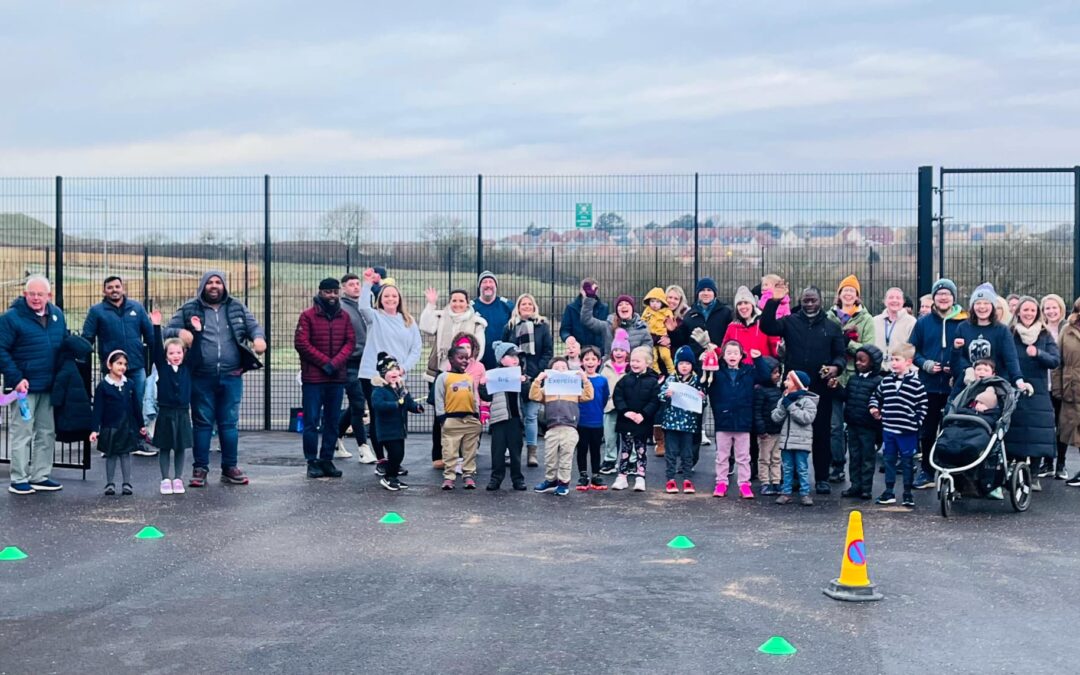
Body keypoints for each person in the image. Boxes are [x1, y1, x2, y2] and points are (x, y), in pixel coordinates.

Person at [164, 271, 266, 487]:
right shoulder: (190, 307)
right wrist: (181, 332)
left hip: (231, 376)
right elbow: (168, 330)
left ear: (224, 286)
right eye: (209, 282)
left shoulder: (236, 306)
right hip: (201, 376)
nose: (214, 286)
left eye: (218, 282)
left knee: (229, 424)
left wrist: (258, 338)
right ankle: (200, 469)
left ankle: (230, 467)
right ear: (203, 286)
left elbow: (253, 326)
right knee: (202, 424)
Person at [760, 282, 846, 494]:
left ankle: (823, 478)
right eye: (805, 300)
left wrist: (836, 368)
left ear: (820, 301)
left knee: (821, 434)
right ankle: (796, 478)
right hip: (794, 387)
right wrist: (774, 301)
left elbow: (840, 355)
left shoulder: (832, 327)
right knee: (794, 434)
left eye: (813, 300)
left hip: (820, 389)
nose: (809, 304)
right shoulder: (789, 322)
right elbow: (766, 326)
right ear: (800, 301)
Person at [0, 275, 68, 495]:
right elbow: (1, 350)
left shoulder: (57, 315)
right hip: (23, 389)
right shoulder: (10, 318)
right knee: (23, 433)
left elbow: (62, 344)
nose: (36, 298)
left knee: (47, 432)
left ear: (49, 295)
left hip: (49, 386)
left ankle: (40, 475)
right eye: (32, 294)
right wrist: (16, 379)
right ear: (24, 294)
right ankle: (19, 478)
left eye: (41, 294)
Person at [82, 276, 156, 456]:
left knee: (137, 405)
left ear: (123, 288)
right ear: (104, 291)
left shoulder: (137, 308)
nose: (114, 290)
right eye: (109, 287)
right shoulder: (97, 311)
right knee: (111, 407)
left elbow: (150, 335)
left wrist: (158, 359)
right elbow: (87, 338)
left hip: (136, 366)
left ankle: (138, 442)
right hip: (111, 370)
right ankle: (110, 445)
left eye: (117, 286)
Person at [357, 269, 422, 471]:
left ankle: (395, 461)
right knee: (378, 418)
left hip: (397, 377)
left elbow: (416, 349)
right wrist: (367, 284)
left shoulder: (408, 321)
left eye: (394, 296)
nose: (390, 299)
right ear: (380, 299)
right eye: (386, 296)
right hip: (373, 376)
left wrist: (403, 368)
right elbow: (362, 306)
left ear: (399, 298)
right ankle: (382, 460)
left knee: (398, 417)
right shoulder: (374, 317)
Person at [908, 278, 967, 490]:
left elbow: (968, 352)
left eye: (948, 294)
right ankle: (926, 470)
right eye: (940, 293)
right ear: (934, 297)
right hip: (929, 384)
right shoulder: (923, 322)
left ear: (953, 297)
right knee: (928, 429)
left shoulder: (964, 322)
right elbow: (912, 352)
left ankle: (953, 471)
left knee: (954, 429)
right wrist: (925, 364)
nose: (943, 297)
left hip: (955, 385)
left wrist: (956, 365)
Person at [294, 278, 355, 480]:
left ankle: (327, 458)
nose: (332, 296)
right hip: (313, 378)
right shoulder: (307, 316)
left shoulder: (344, 317)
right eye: (327, 292)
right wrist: (324, 363)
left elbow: (350, 342)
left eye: (334, 292)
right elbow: (302, 344)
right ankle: (312, 461)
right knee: (311, 421)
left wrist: (335, 363)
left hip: (336, 378)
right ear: (320, 293)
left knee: (332, 421)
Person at [420, 288, 488, 469]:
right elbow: (426, 327)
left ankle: (462, 456)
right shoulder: (441, 317)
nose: (457, 304)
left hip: (464, 376)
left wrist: (465, 367)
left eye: (461, 301)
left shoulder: (476, 323)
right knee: (440, 415)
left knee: (464, 415)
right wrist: (431, 303)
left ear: (467, 302)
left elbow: (478, 348)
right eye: (454, 300)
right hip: (440, 374)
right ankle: (439, 456)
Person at [1004, 297, 1060, 492]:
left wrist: (1038, 353)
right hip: (1015, 388)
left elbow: (1055, 360)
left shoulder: (1044, 335)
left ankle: (1034, 474)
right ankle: (1018, 472)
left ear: (1037, 313)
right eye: (1025, 310)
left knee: (1038, 433)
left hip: (1038, 391)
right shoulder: (1010, 333)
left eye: (1032, 310)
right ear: (1018, 312)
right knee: (1016, 432)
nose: (1029, 313)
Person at [827, 275, 876, 484]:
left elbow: (869, 349)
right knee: (835, 426)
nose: (848, 294)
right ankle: (837, 465)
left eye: (852, 291)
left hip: (858, 378)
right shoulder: (830, 317)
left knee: (856, 426)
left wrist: (849, 345)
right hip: (836, 375)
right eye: (844, 290)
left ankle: (860, 474)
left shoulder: (866, 319)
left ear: (857, 296)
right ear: (839, 294)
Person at [869, 343, 927, 509]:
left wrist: (916, 422)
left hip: (908, 430)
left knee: (908, 462)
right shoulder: (886, 381)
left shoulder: (916, 384)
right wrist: (874, 408)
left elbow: (923, 405)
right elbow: (876, 396)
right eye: (891, 359)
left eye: (897, 360)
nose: (893, 363)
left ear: (908, 362)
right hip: (889, 429)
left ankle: (907, 493)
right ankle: (889, 491)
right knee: (889, 460)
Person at [530, 356, 594, 496]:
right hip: (552, 427)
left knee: (566, 456)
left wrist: (584, 379)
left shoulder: (573, 388)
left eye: (564, 368)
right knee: (550, 457)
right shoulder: (547, 389)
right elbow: (534, 396)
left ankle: (563, 483)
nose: (560, 370)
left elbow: (588, 396)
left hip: (569, 428)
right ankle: (550, 480)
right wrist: (538, 380)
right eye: (556, 368)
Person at [503, 293, 553, 468]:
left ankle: (532, 453)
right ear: (518, 307)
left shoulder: (542, 326)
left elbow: (548, 351)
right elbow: (504, 350)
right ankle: (511, 451)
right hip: (513, 377)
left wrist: (536, 372)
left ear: (534, 307)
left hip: (534, 378)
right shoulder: (510, 326)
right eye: (523, 304)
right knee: (514, 417)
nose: (526, 306)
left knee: (531, 416)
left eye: (529, 304)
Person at [950, 283, 1027, 398]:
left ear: (993, 306)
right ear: (972, 306)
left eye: (986, 303)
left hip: (995, 387)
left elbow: (1011, 359)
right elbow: (956, 360)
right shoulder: (963, 328)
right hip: (967, 386)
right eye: (978, 303)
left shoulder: (1002, 330)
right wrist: (967, 367)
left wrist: (1018, 380)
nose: (982, 307)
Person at [149, 310, 193, 495]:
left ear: (183, 353)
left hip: (182, 412)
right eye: (171, 352)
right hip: (166, 412)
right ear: (166, 355)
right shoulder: (162, 367)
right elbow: (156, 349)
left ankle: (178, 478)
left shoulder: (187, 368)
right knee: (165, 447)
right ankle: (165, 479)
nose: (175, 355)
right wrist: (156, 326)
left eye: (179, 352)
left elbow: (196, 352)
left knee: (181, 447)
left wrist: (196, 332)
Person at [90, 350, 145, 496]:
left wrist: (141, 425)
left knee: (125, 454)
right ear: (109, 365)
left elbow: (136, 407)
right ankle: (110, 483)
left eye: (125, 364)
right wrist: (94, 429)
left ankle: (127, 483)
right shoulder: (103, 386)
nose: (122, 367)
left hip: (126, 426)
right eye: (119, 363)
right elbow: (98, 409)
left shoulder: (130, 384)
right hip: (110, 426)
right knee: (111, 455)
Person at [709, 341, 756, 499]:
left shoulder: (749, 371)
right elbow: (704, 381)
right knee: (722, 455)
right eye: (729, 352)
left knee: (743, 456)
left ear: (742, 355)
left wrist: (759, 359)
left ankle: (744, 484)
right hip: (723, 419)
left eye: (736, 353)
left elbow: (765, 375)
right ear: (723, 355)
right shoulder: (717, 372)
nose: (732, 356)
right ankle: (721, 482)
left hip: (743, 421)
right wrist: (706, 356)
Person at [835, 345, 884, 500]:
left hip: (868, 426)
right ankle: (855, 485)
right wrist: (837, 388)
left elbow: (880, 402)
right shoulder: (853, 379)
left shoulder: (878, 381)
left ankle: (866, 488)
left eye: (863, 361)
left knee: (867, 458)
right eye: (857, 360)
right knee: (854, 456)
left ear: (873, 362)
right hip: (853, 423)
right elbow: (846, 397)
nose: (858, 363)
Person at [370, 352, 424, 491]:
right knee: (395, 454)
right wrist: (395, 404)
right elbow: (378, 406)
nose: (394, 372)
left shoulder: (401, 389)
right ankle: (388, 477)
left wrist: (416, 408)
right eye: (390, 370)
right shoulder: (379, 390)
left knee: (399, 454)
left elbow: (408, 403)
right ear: (382, 373)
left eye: (396, 369)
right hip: (387, 430)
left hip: (399, 429)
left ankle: (393, 477)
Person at [337, 272, 375, 463]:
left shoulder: (365, 305)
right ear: (343, 288)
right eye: (351, 284)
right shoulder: (342, 308)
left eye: (358, 283)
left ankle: (336, 437)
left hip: (367, 362)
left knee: (356, 404)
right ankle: (363, 447)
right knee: (359, 403)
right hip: (349, 362)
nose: (356, 287)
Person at [611, 346, 661, 492]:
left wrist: (643, 415)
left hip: (642, 422)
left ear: (647, 363)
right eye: (632, 361)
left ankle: (640, 476)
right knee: (625, 450)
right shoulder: (625, 380)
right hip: (626, 421)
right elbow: (618, 397)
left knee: (641, 450)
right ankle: (622, 476)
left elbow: (654, 401)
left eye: (638, 361)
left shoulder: (653, 382)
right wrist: (625, 412)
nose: (634, 364)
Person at [435, 345, 484, 490]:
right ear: (451, 359)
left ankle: (468, 474)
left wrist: (477, 415)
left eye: (467, 358)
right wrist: (442, 417)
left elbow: (474, 397)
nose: (465, 361)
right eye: (461, 358)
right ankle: (449, 476)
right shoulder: (443, 377)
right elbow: (439, 398)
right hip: (451, 419)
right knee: (450, 450)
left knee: (470, 450)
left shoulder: (469, 378)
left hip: (469, 419)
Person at [659, 346, 706, 494]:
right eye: (681, 363)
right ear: (676, 364)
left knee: (687, 452)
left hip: (689, 424)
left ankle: (687, 479)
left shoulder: (697, 380)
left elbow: (702, 403)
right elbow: (660, 396)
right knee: (671, 452)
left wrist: (702, 398)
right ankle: (670, 479)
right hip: (671, 422)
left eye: (687, 363)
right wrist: (667, 394)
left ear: (692, 365)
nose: (684, 366)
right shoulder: (671, 379)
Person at [482, 341, 529, 491]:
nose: (516, 359)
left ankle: (517, 479)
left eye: (517, 356)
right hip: (498, 420)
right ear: (501, 359)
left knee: (515, 452)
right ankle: (496, 478)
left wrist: (525, 382)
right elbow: (487, 397)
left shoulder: (520, 375)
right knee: (497, 452)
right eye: (511, 356)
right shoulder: (494, 375)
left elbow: (527, 396)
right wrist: (483, 385)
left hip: (515, 420)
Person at [772, 370, 819, 506]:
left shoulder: (808, 402)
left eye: (788, 379)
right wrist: (783, 406)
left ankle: (805, 493)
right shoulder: (784, 399)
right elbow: (775, 417)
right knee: (787, 468)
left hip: (801, 442)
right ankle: (786, 493)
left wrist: (790, 406)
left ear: (798, 384)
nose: (785, 382)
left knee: (802, 468)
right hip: (786, 442)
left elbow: (806, 418)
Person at [671, 277, 733, 359]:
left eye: (709, 290)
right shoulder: (689, 314)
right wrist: (672, 331)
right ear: (698, 293)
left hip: (720, 360)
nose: (705, 293)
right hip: (696, 362)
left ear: (714, 293)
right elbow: (681, 341)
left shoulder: (726, 312)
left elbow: (731, 339)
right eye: (702, 290)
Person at [1042, 293, 1069, 478]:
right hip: (1043, 383)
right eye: (1047, 308)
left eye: (1054, 307)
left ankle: (1061, 463)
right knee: (1045, 425)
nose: (1051, 311)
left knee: (1062, 424)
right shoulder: (1039, 329)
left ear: (1061, 309)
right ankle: (1047, 462)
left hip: (1062, 383)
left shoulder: (1068, 329)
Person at [598, 329, 631, 475]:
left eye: (622, 350)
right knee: (610, 435)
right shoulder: (606, 368)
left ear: (627, 353)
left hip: (627, 407)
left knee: (629, 435)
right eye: (616, 350)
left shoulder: (631, 368)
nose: (618, 353)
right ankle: (610, 460)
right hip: (610, 406)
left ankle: (631, 461)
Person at [576, 346, 609, 490]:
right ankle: (583, 475)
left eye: (593, 359)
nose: (590, 362)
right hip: (581, 422)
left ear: (599, 362)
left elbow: (604, 399)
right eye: (587, 359)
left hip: (597, 421)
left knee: (596, 449)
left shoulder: (602, 380)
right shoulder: (577, 379)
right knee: (582, 449)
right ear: (581, 362)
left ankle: (596, 474)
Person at [722, 286, 780, 365]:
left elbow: (776, 350)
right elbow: (724, 352)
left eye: (746, 303)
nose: (743, 307)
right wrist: (710, 348)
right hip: (740, 374)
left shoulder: (765, 323)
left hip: (761, 373)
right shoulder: (732, 327)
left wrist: (782, 348)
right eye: (739, 304)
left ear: (752, 305)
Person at [581, 290, 651, 356]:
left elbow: (647, 351)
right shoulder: (608, 326)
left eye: (627, 304)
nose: (624, 306)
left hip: (633, 367)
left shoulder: (642, 328)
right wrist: (589, 299)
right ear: (617, 310)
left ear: (632, 309)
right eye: (620, 305)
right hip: (610, 367)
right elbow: (587, 320)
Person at [1056, 298, 1080, 487]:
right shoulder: (1067, 330)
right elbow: (1058, 362)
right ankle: (1060, 466)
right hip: (1071, 388)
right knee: (1068, 429)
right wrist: (1058, 387)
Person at [752, 355, 783, 495]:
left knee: (776, 458)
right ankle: (765, 482)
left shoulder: (778, 390)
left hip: (777, 430)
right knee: (764, 458)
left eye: (778, 372)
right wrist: (761, 429)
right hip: (766, 432)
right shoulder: (760, 391)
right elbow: (757, 412)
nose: (777, 375)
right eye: (774, 372)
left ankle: (776, 481)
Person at [472, 271, 514, 370]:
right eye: (484, 282)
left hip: (503, 360)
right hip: (479, 359)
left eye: (491, 282)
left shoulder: (507, 306)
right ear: (479, 286)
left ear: (496, 286)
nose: (488, 285)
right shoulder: (471, 307)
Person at [561, 278, 609, 351]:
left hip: (598, 351)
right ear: (581, 290)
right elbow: (564, 329)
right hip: (578, 350)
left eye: (593, 289)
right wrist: (567, 337)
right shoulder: (571, 308)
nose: (589, 292)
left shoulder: (604, 308)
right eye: (586, 289)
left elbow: (606, 330)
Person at [873, 287, 916, 366]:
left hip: (901, 369)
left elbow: (913, 347)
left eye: (898, 298)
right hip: (878, 368)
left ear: (903, 302)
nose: (894, 300)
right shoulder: (875, 321)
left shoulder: (911, 322)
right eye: (891, 297)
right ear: (885, 302)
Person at [641, 287, 676, 375]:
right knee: (653, 356)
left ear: (662, 303)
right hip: (651, 336)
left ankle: (672, 371)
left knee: (665, 355)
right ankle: (657, 372)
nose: (654, 304)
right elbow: (642, 321)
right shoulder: (647, 311)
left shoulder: (666, 311)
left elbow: (672, 324)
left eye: (657, 302)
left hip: (662, 336)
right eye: (652, 301)